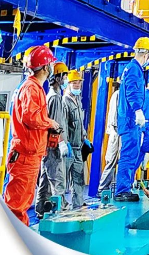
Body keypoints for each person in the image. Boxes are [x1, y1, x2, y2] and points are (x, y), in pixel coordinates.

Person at [4, 46, 60, 225]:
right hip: (25, 156)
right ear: (45, 67)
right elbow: (31, 117)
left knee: (22, 203)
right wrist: (50, 123)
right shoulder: (31, 88)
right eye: (50, 64)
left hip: (29, 154)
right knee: (16, 206)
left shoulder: (34, 87)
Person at [114, 37, 149, 203]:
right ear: (146, 54)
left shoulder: (132, 68)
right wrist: (138, 110)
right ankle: (122, 190)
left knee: (132, 154)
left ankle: (126, 188)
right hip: (130, 120)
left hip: (131, 121)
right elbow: (132, 92)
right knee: (129, 155)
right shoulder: (134, 70)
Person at [35, 61, 69, 218]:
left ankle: (41, 209)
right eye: (65, 76)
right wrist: (61, 142)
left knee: (45, 179)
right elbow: (55, 123)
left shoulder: (54, 96)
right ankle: (59, 213)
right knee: (57, 181)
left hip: (49, 146)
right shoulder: (54, 98)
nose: (66, 79)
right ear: (57, 77)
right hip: (54, 146)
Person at [63, 69, 91, 210]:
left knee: (78, 178)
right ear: (68, 84)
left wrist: (84, 137)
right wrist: (65, 143)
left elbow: (79, 122)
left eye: (79, 82)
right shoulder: (64, 102)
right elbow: (63, 124)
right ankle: (60, 206)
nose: (77, 85)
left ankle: (78, 204)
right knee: (63, 180)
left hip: (78, 147)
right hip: (68, 148)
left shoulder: (77, 100)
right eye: (74, 82)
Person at [97, 82, 120, 195]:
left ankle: (107, 188)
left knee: (114, 161)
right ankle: (102, 189)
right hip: (117, 132)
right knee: (111, 161)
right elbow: (115, 114)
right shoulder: (118, 94)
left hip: (117, 131)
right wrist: (117, 129)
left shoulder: (118, 94)